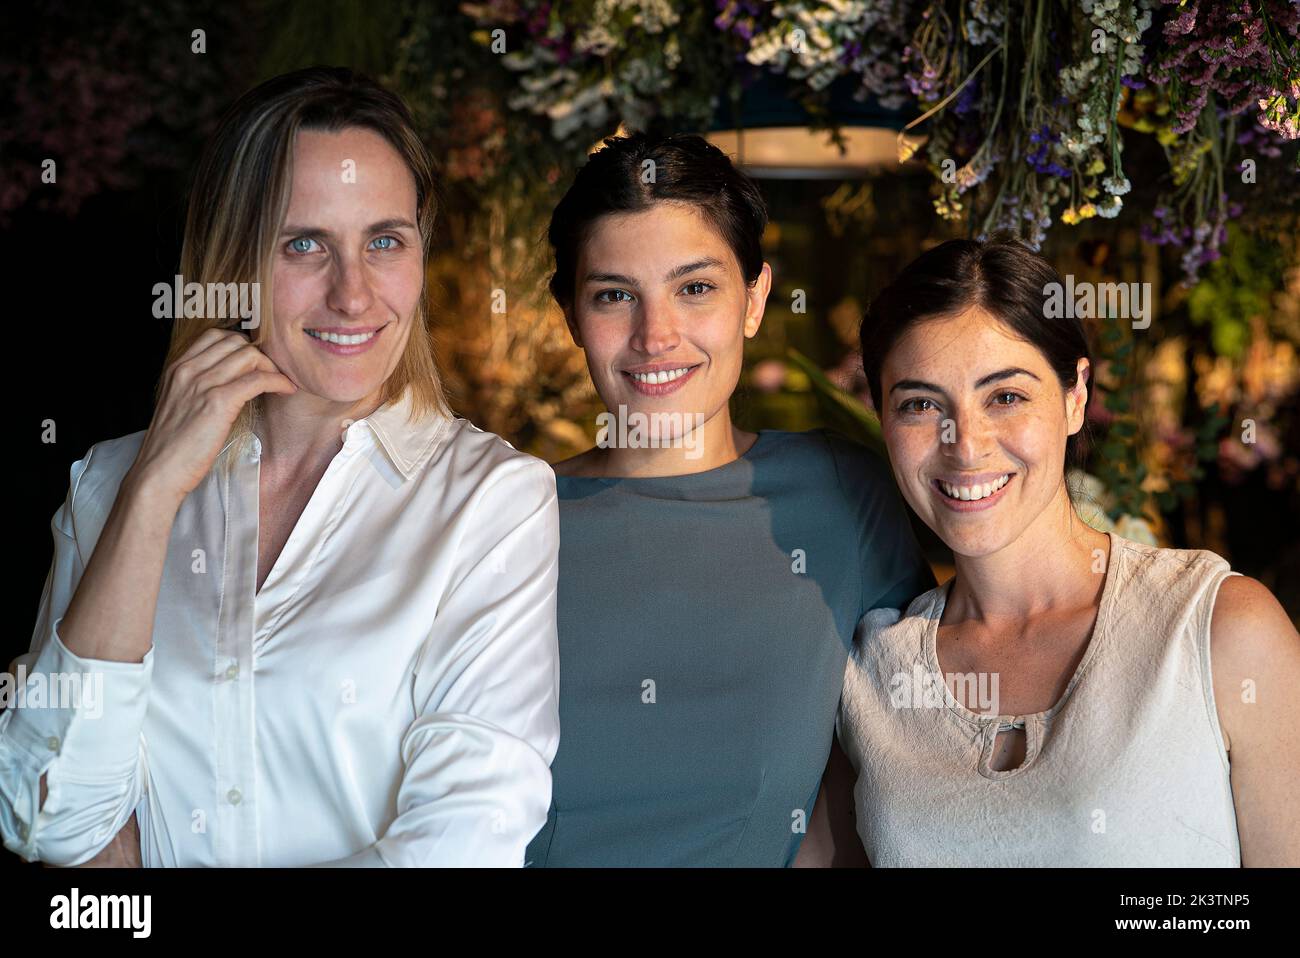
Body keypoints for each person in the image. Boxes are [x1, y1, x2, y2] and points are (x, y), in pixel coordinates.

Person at [0, 67, 561, 867]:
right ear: (232, 264)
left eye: (384, 241)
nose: (354, 294)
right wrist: (153, 493)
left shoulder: (492, 502)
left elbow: (462, 840)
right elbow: (44, 819)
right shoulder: (110, 485)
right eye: (303, 244)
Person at [525, 132, 934, 867]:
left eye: (695, 288)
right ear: (570, 315)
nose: (657, 336)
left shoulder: (842, 493)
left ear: (755, 298)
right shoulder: (509, 519)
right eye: (615, 295)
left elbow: (906, 758)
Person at [835, 237, 1300, 866]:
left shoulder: (1217, 628)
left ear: (1075, 396)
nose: (965, 445)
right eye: (920, 404)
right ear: (882, 419)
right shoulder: (866, 674)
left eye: (1006, 396)